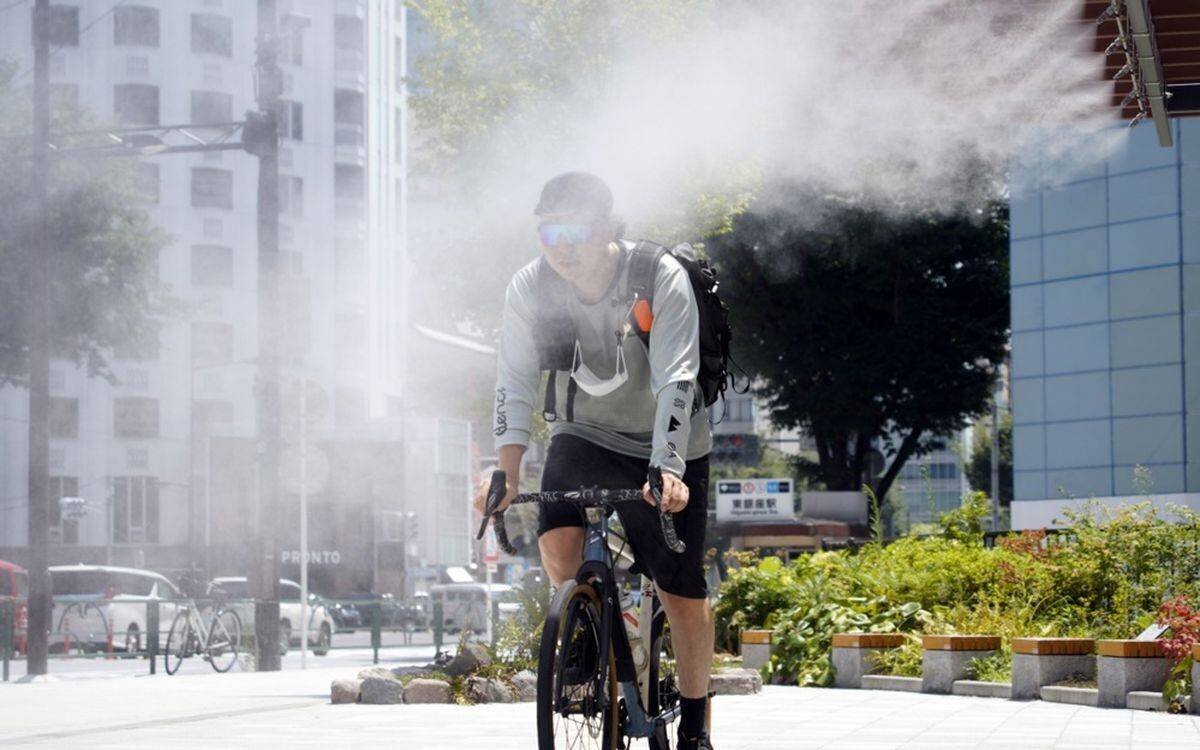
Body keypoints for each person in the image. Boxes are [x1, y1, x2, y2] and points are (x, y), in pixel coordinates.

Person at [475, 171, 715, 750]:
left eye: (573, 231)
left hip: (669, 440)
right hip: (583, 432)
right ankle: (583, 628)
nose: (560, 245)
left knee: (680, 589)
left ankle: (695, 724)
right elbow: (513, 380)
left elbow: (678, 377)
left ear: (606, 228)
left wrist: (669, 467)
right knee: (556, 536)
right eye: (547, 231)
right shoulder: (531, 287)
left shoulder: (658, 276)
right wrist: (505, 470)